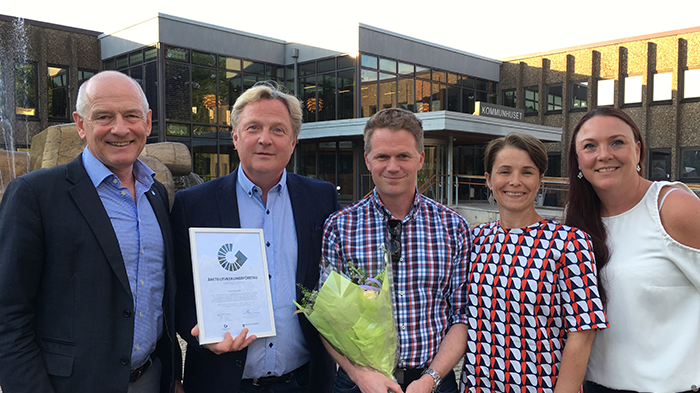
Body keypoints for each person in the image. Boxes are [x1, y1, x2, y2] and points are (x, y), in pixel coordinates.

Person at [0, 71, 177, 393]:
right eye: (103, 117)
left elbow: (160, 295)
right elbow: (7, 311)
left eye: (131, 116)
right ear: (81, 125)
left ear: (148, 123)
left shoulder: (156, 193)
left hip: (150, 379)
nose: (120, 129)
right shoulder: (34, 194)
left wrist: (172, 374)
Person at [170, 82, 339, 393]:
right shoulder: (192, 204)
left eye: (278, 129)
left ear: (293, 140)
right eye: (253, 127)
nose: (265, 139)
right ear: (235, 136)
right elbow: (178, 288)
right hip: (221, 381)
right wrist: (199, 333)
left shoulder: (321, 198)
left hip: (304, 380)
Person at [321, 108, 470, 393]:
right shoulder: (340, 227)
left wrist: (430, 380)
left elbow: (461, 315)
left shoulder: (453, 227)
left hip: (434, 380)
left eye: (403, 156)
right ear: (368, 160)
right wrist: (359, 374)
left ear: (420, 159)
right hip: (359, 382)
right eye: (382, 156)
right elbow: (326, 318)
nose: (393, 166)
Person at [564, 107, 700, 393]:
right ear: (578, 161)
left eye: (617, 142)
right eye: (590, 146)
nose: (604, 154)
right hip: (595, 385)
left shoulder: (672, 207)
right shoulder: (575, 219)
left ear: (638, 150)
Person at [459, 133, 608, 393]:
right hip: (477, 386)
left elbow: (583, 331)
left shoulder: (568, 242)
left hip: (541, 385)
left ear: (540, 180)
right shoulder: (474, 239)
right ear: (489, 180)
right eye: (504, 171)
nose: (515, 182)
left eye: (527, 172)